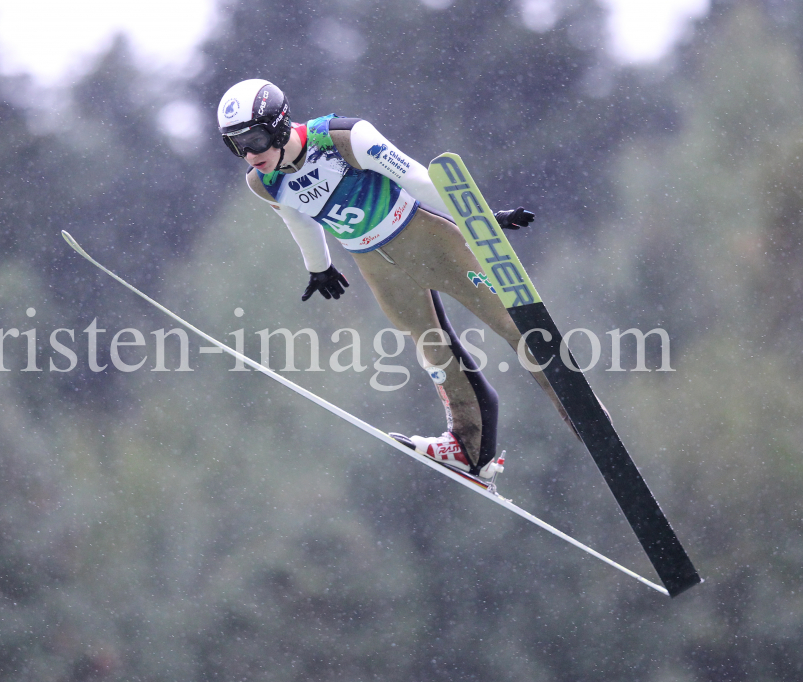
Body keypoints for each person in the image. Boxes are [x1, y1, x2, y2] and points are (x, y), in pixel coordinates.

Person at [217, 79, 576, 479]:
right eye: (236, 145)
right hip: (374, 264)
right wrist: (317, 266)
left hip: (427, 239)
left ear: (280, 125)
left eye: (253, 138)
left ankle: (576, 408)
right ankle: (469, 448)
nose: (249, 154)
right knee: (433, 349)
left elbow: (420, 180)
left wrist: (483, 218)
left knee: (510, 324)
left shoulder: (344, 138)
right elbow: (296, 218)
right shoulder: (262, 182)